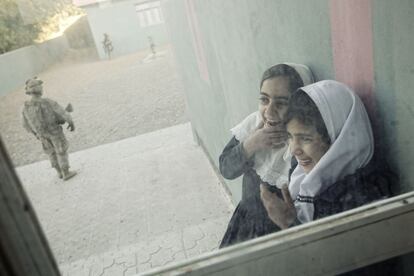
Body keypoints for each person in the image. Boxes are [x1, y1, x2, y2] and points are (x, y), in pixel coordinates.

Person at [260, 80, 393, 229]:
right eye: (290, 137)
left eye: (305, 138)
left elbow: (332, 249)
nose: (293, 150)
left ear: (339, 138)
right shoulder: (303, 177)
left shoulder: (362, 196)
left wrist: (290, 224)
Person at [219, 63, 314, 248]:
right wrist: (251, 143)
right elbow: (227, 169)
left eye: (281, 103)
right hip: (245, 224)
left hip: (282, 236)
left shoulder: (301, 144)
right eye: (264, 100)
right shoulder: (253, 124)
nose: (269, 112)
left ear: (300, 104)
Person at [22, 77, 77, 181]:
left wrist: (36, 134)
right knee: (61, 151)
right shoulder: (48, 102)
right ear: (39, 89)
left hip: (42, 135)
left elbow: (25, 124)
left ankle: (59, 172)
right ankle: (66, 172)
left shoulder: (25, 107)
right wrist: (71, 122)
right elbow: (63, 113)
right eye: (40, 86)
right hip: (55, 132)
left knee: (51, 152)